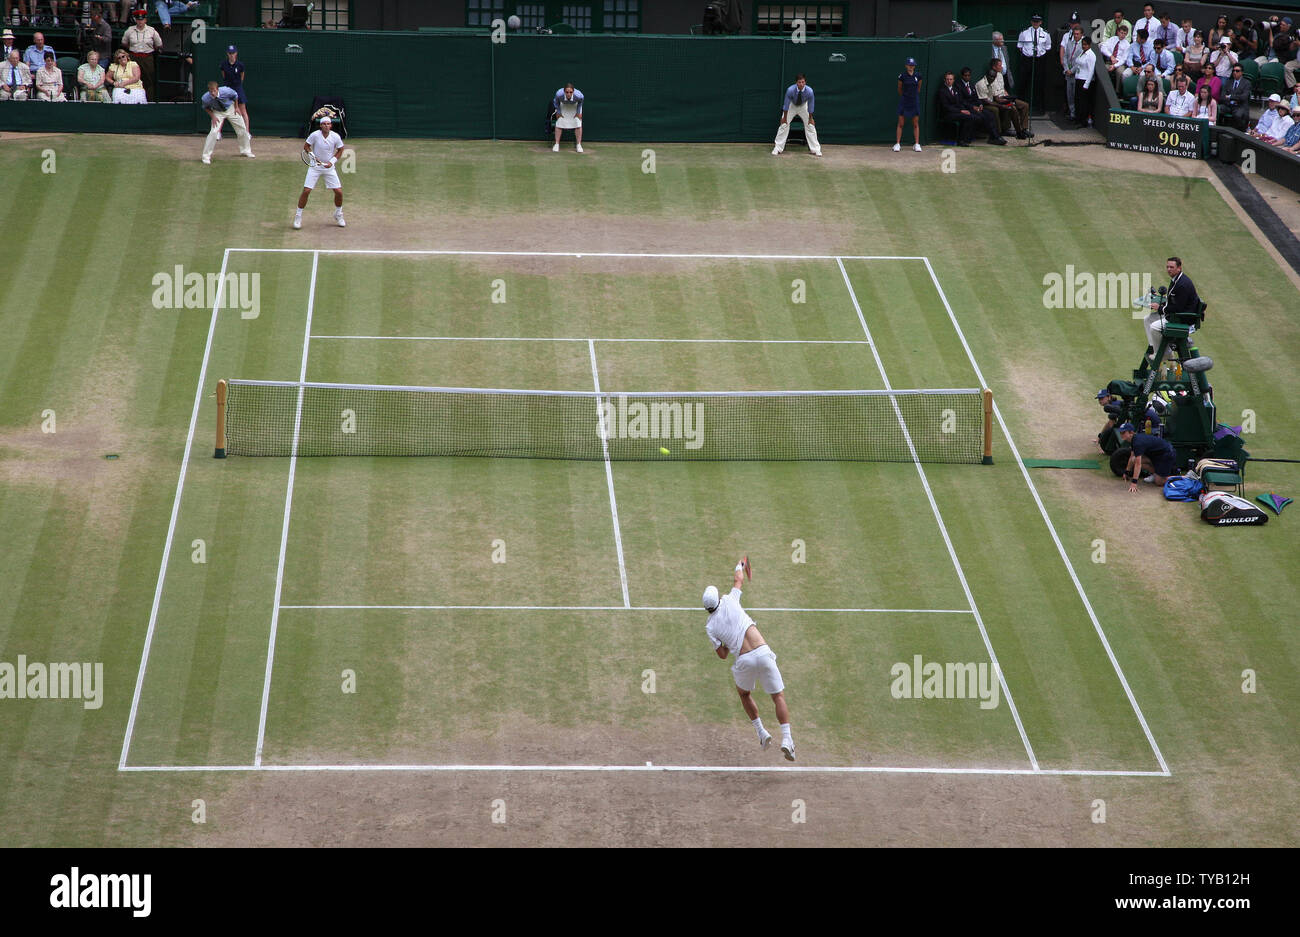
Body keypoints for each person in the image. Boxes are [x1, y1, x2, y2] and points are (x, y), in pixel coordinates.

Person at [702, 558, 795, 761]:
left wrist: (728, 640)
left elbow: (722, 655)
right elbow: (738, 580)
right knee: (778, 696)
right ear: (718, 598)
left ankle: (762, 733)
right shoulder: (729, 600)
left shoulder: (710, 627)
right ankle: (787, 739)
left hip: (744, 660)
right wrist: (740, 563)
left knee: (744, 694)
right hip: (763, 652)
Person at [294, 115, 346, 229]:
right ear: (320, 126)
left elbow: (341, 149)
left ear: (331, 125)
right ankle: (298, 216)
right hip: (315, 167)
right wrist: (313, 156)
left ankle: (338, 214)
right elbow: (306, 146)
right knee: (306, 191)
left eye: (328, 124)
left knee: (339, 192)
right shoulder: (314, 135)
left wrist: (332, 162)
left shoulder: (335, 136)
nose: (326, 126)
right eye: (324, 124)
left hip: (329, 168)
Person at [1144, 256, 1199, 363]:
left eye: (1171, 267)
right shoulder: (1177, 279)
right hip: (1176, 314)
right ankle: (1154, 347)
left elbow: (1178, 307)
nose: (1169, 269)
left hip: (1181, 318)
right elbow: (1175, 301)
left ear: (1179, 268)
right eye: (1167, 267)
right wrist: (1163, 303)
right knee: (1148, 319)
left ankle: (1164, 354)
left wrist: (1160, 308)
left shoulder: (1182, 284)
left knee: (1154, 327)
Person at [199, 80, 253, 163]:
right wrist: (213, 116)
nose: (212, 93)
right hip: (217, 112)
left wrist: (236, 107)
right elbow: (206, 107)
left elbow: (235, 96)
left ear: (218, 89)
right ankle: (206, 157)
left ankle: (246, 150)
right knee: (213, 132)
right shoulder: (205, 98)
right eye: (210, 91)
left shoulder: (226, 91)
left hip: (231, 109)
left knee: (242, 128)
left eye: (214, 90)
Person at [976, 57, 1031, 139]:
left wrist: (1008, 98)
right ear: (994, 67)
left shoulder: (1000, 75)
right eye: (1000, 65)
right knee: (1011, 107)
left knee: (1024, 105)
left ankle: (1023, 130)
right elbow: (992, 99)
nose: (1002, 67)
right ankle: (1003, 133)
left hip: (1004, 98)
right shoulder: (984, 82)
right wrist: (1004, 104)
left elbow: (1002, 89)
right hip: (995, 101)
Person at [1118, 423, 1178, 491]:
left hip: (1166, 455)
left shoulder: (1137, 443)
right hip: (1156, 455)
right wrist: (1127, 472)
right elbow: (1132, 457)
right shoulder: (1134, 440)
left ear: (1131, 433)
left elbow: (1138, 464)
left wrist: (1134, 483)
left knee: (1159, 482)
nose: (1121, 434)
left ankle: (1184, 477)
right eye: (1120, 432)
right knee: (1134, 460)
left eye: (1123, 432)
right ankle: (1156, 475)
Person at [772, 72, 820, 156]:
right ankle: (778, 148)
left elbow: (811, 106)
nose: (801, 84)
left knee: (810, 125)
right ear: (796, 83)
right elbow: (786, 104)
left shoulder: (810, 91)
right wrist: (785, 118)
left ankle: (815, 149)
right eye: (799, 82)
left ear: (805, 82)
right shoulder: (790, 90)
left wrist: (810, 118)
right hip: (792, 106)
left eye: (803, 82)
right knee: (783, 125)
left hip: (803, 106)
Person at [120, 8, 161, 101]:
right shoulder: (130, 30)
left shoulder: (152, 31)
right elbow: (124, 43)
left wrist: (150, 50)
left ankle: (149, 101)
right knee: (132, 79)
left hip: (147, 58)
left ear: (145, 20)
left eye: (142, 19)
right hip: (134, 57)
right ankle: (133, 100)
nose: (140, 22)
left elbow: (159, 44)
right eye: (138, 19)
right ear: (136, 20)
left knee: (149, 81)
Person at [957, 65, 1005, 143]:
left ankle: (994, 137)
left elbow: (976, 97)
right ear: (962, 76)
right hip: (968, 108)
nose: (967, 77)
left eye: (969, 75)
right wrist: (973, 107)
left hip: (976, 107)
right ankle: (968, 138)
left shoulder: (971, 85)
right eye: (965, 76)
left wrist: (980, 104)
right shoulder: (958, 86)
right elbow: (962, 101)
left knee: (990, 114)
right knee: (982, 116)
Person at [1016, 13, 1051, 111]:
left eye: (1038, 21)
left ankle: (1039, 107)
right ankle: (1020, 106)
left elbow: (1048, 47)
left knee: (1039, 83)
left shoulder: (1045, 33)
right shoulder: (1024, 33)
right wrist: (1027, 54)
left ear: (1041, 22)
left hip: (1040, 60)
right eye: (1034, 21)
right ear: (1031, 22)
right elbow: (1020, 46)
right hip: (1027, 59)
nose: (1036, 23)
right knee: (1023, 82)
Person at [219, 44, 250, 138]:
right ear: (227, 54)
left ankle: (247, 133)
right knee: (222, 111)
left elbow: (242, 77)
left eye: (233, 53)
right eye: (230, 53)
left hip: (238, 88)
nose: (231, 55)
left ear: (236, 53)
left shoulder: (240, 65)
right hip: (227, 89)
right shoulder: (223, 64)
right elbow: (224, 76)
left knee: (243, 111)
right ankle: (218, 133)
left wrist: (237, 86)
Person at [937, 70, 975, 145]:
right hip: (947, 114)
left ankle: (966, 139)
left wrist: (964, 110)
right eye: (947, 79)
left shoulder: (955, 90)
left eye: (951, 79)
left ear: (953, 80)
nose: (949, 81)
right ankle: (961, 140)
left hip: (956, 112)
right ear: (945, 80)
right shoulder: (942, 91)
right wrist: (961, 111)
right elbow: (946, 107)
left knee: (971, 115)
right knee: (966, 117)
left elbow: (959, 102)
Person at [894, 56, 921, 152]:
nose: (911, 67)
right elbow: (899, 89)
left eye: (912, 65)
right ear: (906, 66)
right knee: (901, 123)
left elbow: (918, 88)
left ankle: (917, 144)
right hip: (904, 101)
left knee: (915, 123)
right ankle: (897, 144)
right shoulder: (902, 76)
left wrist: (913, 97)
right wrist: (905, 97)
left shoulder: (918, 76)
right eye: (909, 65)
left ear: (914, 66)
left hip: (914, 102)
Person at [552, 81, 584, 153]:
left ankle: (579, 145)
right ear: (564, 91)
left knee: (578, 123)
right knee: (559, 122)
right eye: (567, 92)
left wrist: (578, 112)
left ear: (573, 91)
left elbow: (580, 102)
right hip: (563, 105)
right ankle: (556, 144)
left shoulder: (579, 96)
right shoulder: (559, 94)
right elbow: (556, 102)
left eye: (571, 92)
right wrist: (559, 112)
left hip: (575, 105)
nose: (569, 94)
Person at [1073, 36, 1096, 127]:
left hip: (1085, 80)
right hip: (1078, 78)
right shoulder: (1082, 53)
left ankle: (1083, 121)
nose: (1084, 46)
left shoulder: (1091, 55)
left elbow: (1091, 71)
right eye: (1083, 44)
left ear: (1089, 45)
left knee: (1084, 102)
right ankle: (1077, 119)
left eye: (1085, 45)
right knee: (1078, 100)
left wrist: (1087, 84)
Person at [1100, 23, 1131, 89]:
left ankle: (1117, 91)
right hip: (1109, 61)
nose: (1122, 35)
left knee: (1120, 72)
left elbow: (1124, 59)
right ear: (1118, 32)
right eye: (1121, 33)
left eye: (1124, 33)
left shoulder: (1127, 44)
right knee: (1104, 68)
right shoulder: (1112, 39)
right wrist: (1111, 56)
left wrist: (1114, 66)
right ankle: (1104, 88)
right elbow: (1103, 48)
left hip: (1119, 63)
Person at [1220, 65, 1251, 130]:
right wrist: (1232, 98)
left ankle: (1240, 131)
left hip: (1240, 106)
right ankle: (1220, 129)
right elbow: (1222, 96)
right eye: (1233, 71)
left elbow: (1243, 97)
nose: (1235, 72)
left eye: (1237, 71)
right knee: (1219, 109)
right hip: (1228, 105)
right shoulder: (1228, 82)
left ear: (1242, 72)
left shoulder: (1246, 83)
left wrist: (1230, 96)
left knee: (1238, 115)